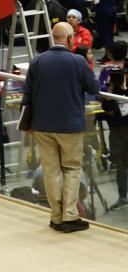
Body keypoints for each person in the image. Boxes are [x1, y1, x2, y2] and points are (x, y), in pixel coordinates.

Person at [22, 22, 99, 233]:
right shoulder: (77, 61)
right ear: (70, 39)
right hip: (70, 126)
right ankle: (69, 216)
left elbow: (27, 94)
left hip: (42, 125)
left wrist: (28, 124)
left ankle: (56, 216)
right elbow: (93, 88)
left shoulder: (37, 62)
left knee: (50, 170)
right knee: (72, 169)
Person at [102, 71, 128, 210]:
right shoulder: (109, 97)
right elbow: (109, 111)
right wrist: (110, 93)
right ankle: (123, 197)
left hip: (122, 132)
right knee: (121, 167)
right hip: (117, 134)